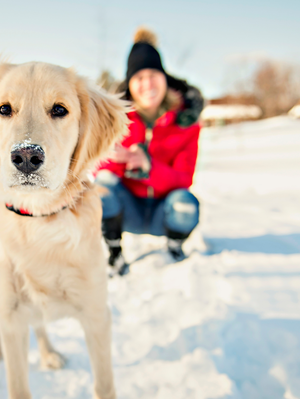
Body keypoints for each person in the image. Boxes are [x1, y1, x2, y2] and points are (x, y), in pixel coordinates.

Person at [96, 26, 204, 276]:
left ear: (165, 77)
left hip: (163, 213)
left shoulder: (185, 121)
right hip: (127, 210)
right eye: (139, 77)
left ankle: (174, 244)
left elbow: (184, 178)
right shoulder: (116, 119)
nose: (147, 84)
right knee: (100, 187)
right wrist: (118, 159)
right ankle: (114, 253)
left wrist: (149, 165)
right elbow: (99, 171)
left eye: (153, 74)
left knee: (186, 203)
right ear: (130, 84)